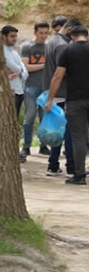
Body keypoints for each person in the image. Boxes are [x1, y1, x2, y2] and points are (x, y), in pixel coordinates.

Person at [44, 25, 89, 185]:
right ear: (86, 36)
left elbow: (57, 76)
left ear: (72, 36)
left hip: (75, 100)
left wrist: (50, 99)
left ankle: (79, 175)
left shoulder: (68, 51)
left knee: (78, 137)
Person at [19, 22, 51, 162]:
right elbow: (26, 67)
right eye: (41, 33)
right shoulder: (27, 46)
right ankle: (26, 145)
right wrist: (45, 65)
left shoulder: (49, 47)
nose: (43, 36)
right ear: (35, 33)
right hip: (31, 86)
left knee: (44, 118)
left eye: (46, 33)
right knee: (29, 117)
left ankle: (43, 145)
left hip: (45, 87)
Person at [1, 25, 27, 138]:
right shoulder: (2, 52)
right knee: (9, 123)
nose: (14, 38)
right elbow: (17, 68)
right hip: (10, 92)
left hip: (19, 91)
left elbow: (25, 74)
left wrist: (20, 72)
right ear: (3, 36)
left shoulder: (14, 53)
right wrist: (21, 71)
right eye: (12, 36)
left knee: (14, 122)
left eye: (15, 36)